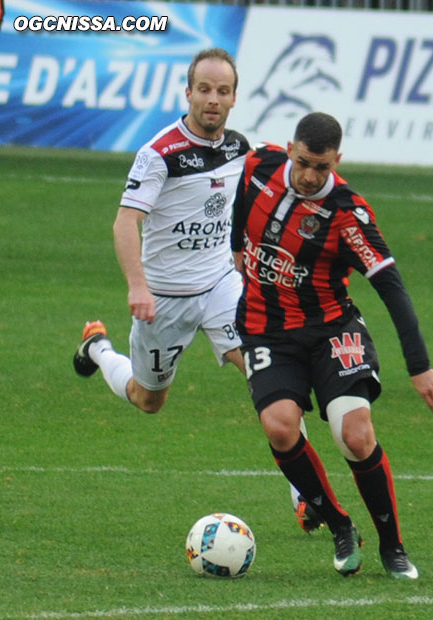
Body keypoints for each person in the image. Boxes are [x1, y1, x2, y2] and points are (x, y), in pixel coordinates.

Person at [71, 47, 323, 535]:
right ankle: (98, 347)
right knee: (148, 400)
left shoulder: (238, 147)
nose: (212, 99)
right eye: (203, 90)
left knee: (272, 378)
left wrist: (245, 260)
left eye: (222, 91)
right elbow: (126, 223)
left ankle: (307, 498)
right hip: (163, 299)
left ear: (233, 98)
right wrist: (137, 286)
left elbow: (247, 201)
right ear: (188, 93)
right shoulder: (159, 154)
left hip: (222, 289)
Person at [231, 111, 433, 579]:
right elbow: (239, 203)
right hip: (265, 328)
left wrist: (420, 365)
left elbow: (391, 286)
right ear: (290, 149)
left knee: (355, 434)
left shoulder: (349, 214)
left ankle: (393, 546)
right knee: (280, 427)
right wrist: (236, 249)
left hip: (333, 329)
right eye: (305, 163)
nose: (311, 176)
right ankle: (338, 524)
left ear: (338, 161)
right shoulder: (258, 165)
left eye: (323, 167)